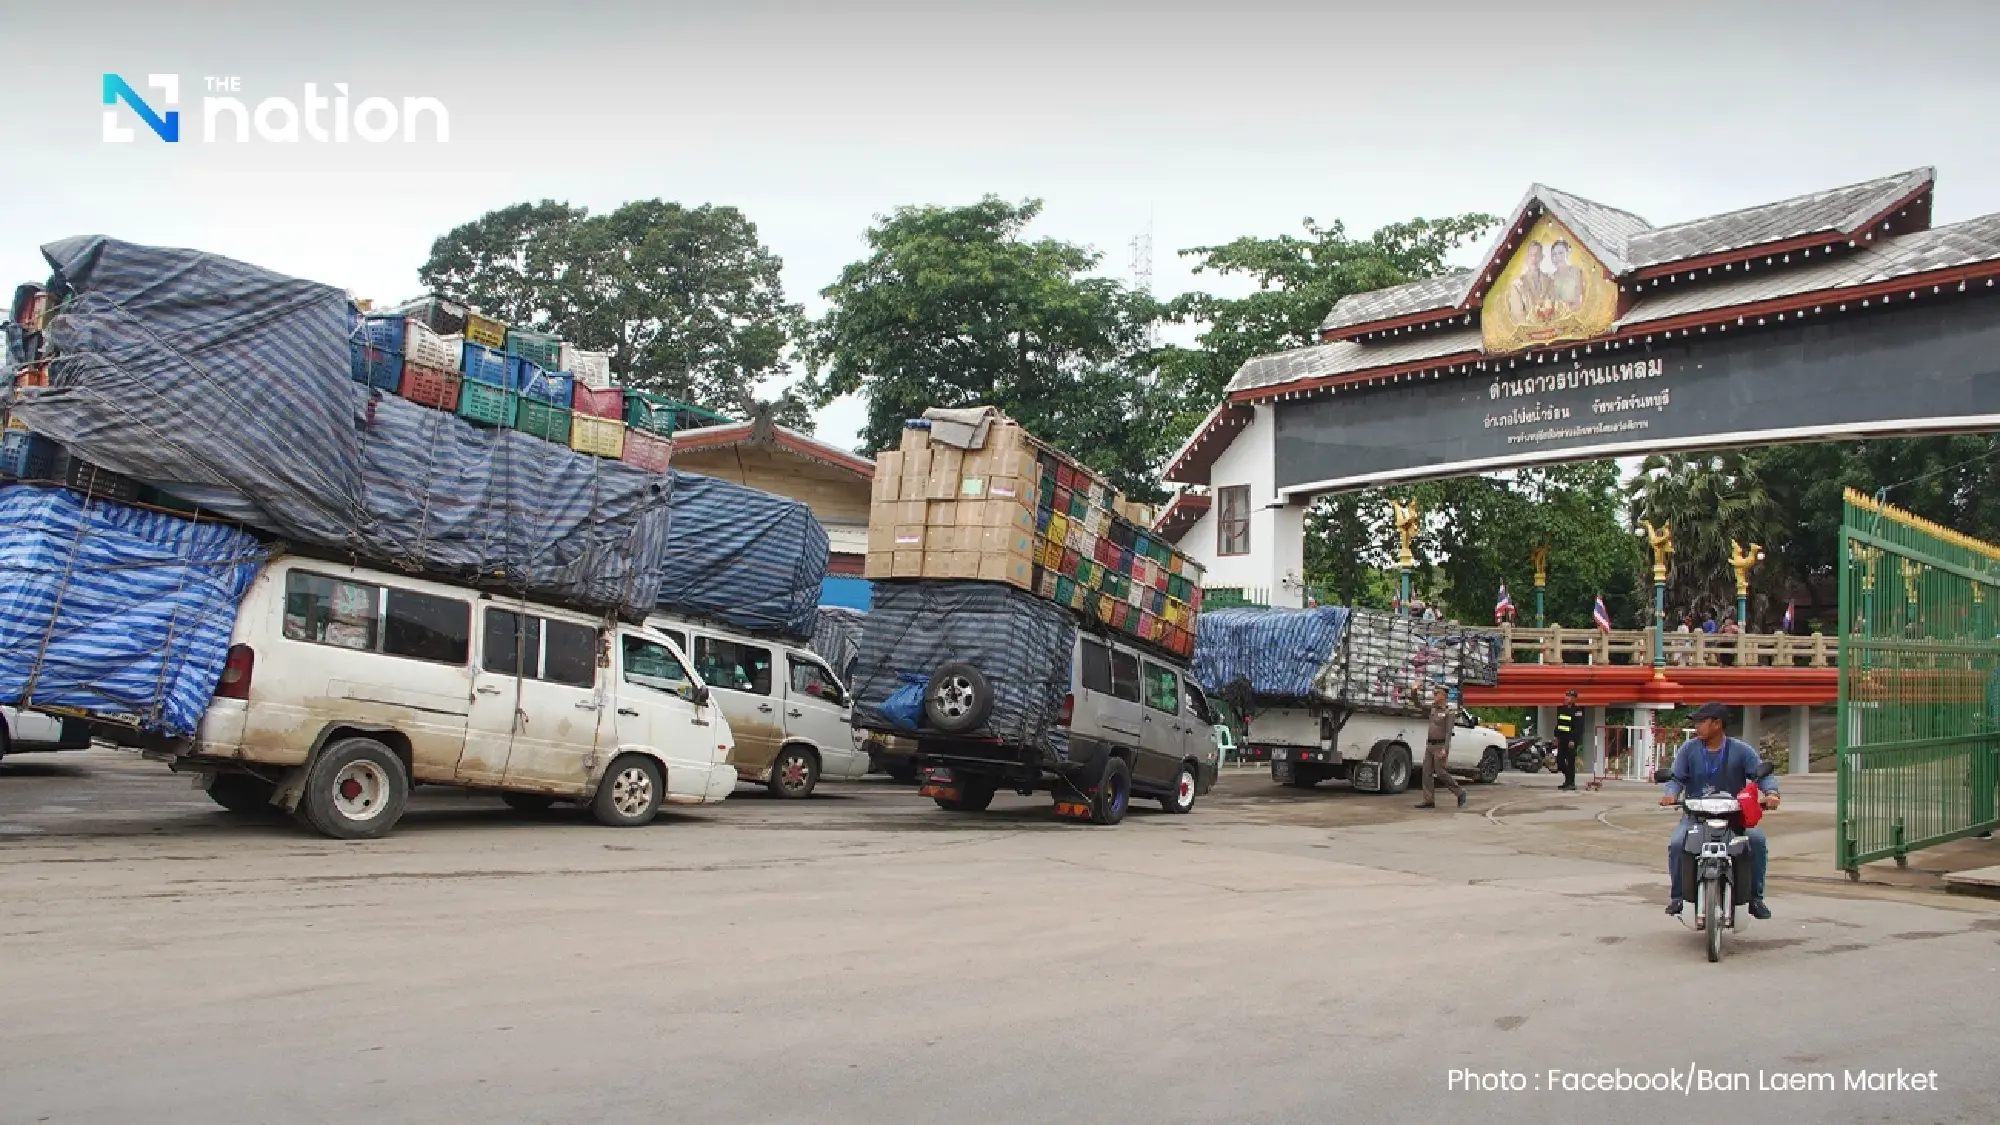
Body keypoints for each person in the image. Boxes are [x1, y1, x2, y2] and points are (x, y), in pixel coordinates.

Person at [1661, 702, 1779, 921]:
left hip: (1734, 816)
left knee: (1756, 840)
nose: (1697, 727)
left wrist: (1771, 793)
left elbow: (1761, 774)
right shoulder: (1688, 749)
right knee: (1677, 843)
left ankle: (1755, 898)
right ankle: (1678, 897)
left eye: (1701, 722)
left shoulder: (1741, 750)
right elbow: (1676, 778)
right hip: (1696, 816)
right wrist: (1671, 794)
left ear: (1717, 724)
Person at [1415, 683, 1467, 809]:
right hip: (1430, 745)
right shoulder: (1432, 708)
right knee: (1426, 772)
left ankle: (1459, 792)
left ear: (1443, 695)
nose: (1434, 696)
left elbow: (1449, 733)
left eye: (1436, 694)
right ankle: (1428, 800)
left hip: (1440, 746)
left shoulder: (1449, 712)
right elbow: (1418, 705)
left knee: (1440, 772)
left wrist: (1445, 749)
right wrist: (1414, 691)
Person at [1552, 689, 1585, 791]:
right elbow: (1559, 724)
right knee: (1560, 761)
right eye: (1566, 696)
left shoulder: (1578, 711)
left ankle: (1571, 783)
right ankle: (1568, 779)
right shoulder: (1562, 709)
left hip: (1571, 740)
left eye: (1570, 696)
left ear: (1574, 699)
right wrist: (1556, 735)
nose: (1567, 698)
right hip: (1562, 739)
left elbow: (1578, 727)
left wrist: (1572, 739)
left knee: (1570, 762)